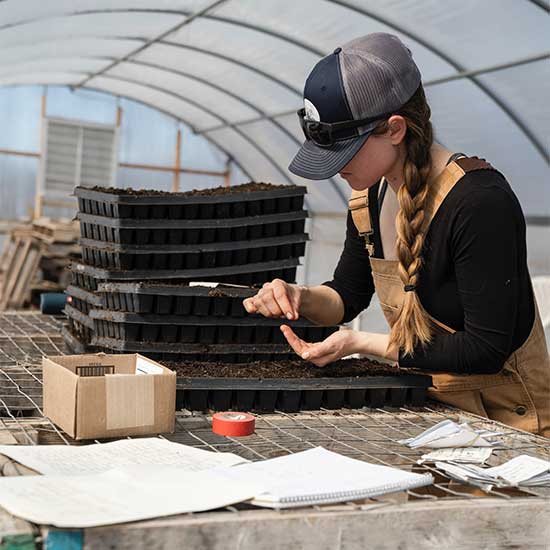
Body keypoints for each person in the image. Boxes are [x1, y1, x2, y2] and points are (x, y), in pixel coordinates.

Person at [243, 33, 549, 437]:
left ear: (395, 129)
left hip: (512, 427)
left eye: (345, 151)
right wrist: (300, 297)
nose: (335, 168)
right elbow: (347, 295)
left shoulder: (478, 201)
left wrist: (361, 343)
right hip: (436, 416)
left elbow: (484, 349)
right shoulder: (369, 196)